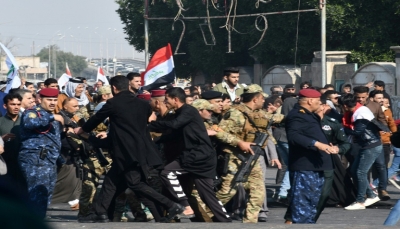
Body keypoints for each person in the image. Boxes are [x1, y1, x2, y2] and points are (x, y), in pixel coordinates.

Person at [75, 76, 184, 223]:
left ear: (114, 88)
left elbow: (96, 119)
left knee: (135, 183)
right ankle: (100, 212)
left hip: (126, 152)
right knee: (110, 181)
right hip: (143, 150)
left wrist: (82, 130)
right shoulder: (144, 104)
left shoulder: (113, 103)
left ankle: (171, 205)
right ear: (127, 86)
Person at [149, 87, 231, 222]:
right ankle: (226, 221)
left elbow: (174, 125)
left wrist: (151, 124)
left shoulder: (188, 111)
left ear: (175, 99)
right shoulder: (180, 113)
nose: (165, 102)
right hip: (201, 155)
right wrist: (153, 140)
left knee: (166, 173)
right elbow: (172, 135)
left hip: (198, 155)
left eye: (167, 99)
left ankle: (185, 205)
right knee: (207, 194)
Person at [285, 89, 337, 224]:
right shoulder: (297, 115)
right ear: (310, 101)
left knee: (311, 204)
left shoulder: (309, 115)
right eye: (319, 101)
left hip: (315, 165)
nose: (320, 104)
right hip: (305, 166)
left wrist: (328, 144)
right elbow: (294, 136)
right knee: (303, 205)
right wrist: (317, 144)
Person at [18, 88, 64, 218]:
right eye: (49, 100)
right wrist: (52, 117)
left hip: (49, 161)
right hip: (35, 159)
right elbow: (29, 123)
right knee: (37, 194)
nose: (52, 103)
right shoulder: (33, 113)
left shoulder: (52, 115)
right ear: (39, 99)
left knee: (46, 194)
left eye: (55, 100)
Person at [340, 94, 389, 210]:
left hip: (370, 145)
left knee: (361, 172)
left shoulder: (360, 114)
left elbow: (358, 132)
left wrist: (342, 128)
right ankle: (371, 195)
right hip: (368, 144)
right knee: (354, 170)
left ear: (345, 106)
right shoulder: (360, 110)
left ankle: (360, 200)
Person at [353, 86, 389, 200]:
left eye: (363, 97)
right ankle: (365, 192)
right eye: (358, 97)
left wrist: (382, 130)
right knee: (363, 169)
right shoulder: (352, 105)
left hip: (374, 140)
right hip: (359, 141)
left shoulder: (375, 106)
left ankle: (382, 189)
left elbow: (382, 121)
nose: (360, 100)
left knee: (381, 165)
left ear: (368, 95)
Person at [0, 93, 25, 193]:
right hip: (5, 163)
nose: (16, 107)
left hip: (23, 163)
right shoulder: (0, 121)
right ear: (5, 106)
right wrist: (1, 138)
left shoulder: (26, 121)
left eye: (18, 104)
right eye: (13, 104)